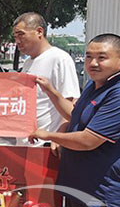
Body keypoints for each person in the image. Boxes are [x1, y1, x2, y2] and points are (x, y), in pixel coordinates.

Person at [29, 33, 120, 207]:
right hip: (78, 192)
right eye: (89, 56)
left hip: (103, 199)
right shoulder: (94, 85)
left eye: (102, 57)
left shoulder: (117, 93)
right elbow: (75, 114)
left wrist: (49, 135)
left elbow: (89, 140)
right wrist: (51, 91)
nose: (93, 63)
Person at [12, 12, 80, 145]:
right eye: (15, 36)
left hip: (45, 144)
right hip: (24, 142)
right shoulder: (28, 63)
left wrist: (58, 138)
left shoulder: (59, 59)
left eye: (21, 34)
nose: (17, 41)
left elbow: (70, 103)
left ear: (39, 32)